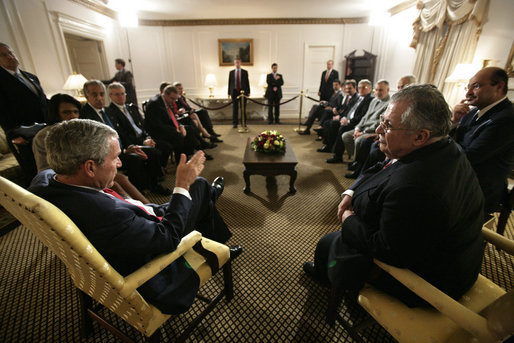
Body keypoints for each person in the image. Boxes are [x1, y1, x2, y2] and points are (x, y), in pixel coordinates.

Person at [28, 119, 242, 315]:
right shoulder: (109, 216)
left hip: (133, 225)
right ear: (90, 167)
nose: (120, 164)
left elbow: (121, 214)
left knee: (199, 191)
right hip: (152, 268)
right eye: (115, 158)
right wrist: (181, 185)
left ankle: (209, 202)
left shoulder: (44, 180)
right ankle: (217, 242)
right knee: (198, 186)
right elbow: (168, 238)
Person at [303, 84, 485, 307]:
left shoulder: (417, 188)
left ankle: (330, 279)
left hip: (428, 282)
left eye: (387, 125)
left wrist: (348, 218)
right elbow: (382, 166)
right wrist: (351, 190)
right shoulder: (441, 147)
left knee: (330, 242)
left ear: (420, 136)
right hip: (439, 249)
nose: (378, 130)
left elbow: (388, 250)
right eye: (382, 120)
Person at [32, 93, 149, 204]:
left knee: (121, 179)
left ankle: (147, 209)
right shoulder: (44, 136)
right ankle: (139, 210)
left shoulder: (80, 131)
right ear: (55, 114)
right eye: (66, 112)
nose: (72, 116)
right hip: (72, 178)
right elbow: (44, 171)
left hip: (91, 170)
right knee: (116, 183)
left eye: (75, 112)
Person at [80, 80, 169, 195]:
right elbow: (94, 142)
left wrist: (130, 146)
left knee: (152, 152)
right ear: (87, 96)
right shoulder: (85, 116)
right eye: (94, 95)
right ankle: (138, 191)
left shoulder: (108, 112)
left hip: (122, 148)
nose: (99, 98)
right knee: (135, 159)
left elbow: (120, 133)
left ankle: (154, 185)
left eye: (101, 94)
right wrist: (125, 150)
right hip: (105, 155)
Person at [451, 66, 514, 213]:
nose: (468, 93)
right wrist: (454, 121)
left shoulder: (508, 119)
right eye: (468, 87)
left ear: (499, 86)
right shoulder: (470, 112)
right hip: (459, 176)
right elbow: (453, 143)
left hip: (479, 190)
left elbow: (469, 157)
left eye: (476, 86)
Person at [0, 42, 48, 181]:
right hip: (23, 137)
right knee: (36, 172)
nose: (10, 57)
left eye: (11, 53)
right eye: (3, 55)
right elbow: (2, 112)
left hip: (43, 130)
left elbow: (43, 101)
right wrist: (13, 134)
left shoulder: (31, 76)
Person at [106, 82, 172, 168]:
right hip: (133, 143)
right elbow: (123, 134)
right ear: (111, 96)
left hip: (143, 138)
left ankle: (159, 169)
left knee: (166, 146)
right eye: (117, 94)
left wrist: (148, 138)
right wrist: (143, 142)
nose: (121, 96)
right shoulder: (110, 112)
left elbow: (143, 126)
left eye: (122, 94)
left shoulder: (131, 108)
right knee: (154, 153)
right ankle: (154, 175)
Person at [341, 80, 390, 168]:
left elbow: (379, 123)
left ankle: (357, 164)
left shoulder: (389, 104)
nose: (378, 92)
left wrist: (363, 132)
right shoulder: (374, 100)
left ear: (388, 90)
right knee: (346, 136)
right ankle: (356, 158)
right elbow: (365, 117)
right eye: (377, 90)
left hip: (373, 130)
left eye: (381, 90)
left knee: (358, 140)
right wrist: (357, 129)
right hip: (364, 128)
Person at [325, 79, 374, 163]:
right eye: (359, 87)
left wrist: (348, 121)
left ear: (370, 88)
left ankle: (338, 156)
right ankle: (329, 146)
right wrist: (343, 118)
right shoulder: (359, 97)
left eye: (364, 87)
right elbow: (348, 110)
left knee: (343, 128)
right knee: (330, 123)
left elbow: (362, 116)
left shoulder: (370, 99)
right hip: (348, 119)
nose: (361, 89)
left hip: (357, 123)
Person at [228, 57, 250, 128]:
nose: (237, 64)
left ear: (240, 63)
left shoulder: (245, 72)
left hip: (243, 92)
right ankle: (235, 123)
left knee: (243, 108)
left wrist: (248, 92)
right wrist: (229, 92)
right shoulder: (231, 72)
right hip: (234, 92)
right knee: (235, 108)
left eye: (238, 62)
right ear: (234, 63)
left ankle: (244, 123)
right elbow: (229, 83)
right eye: (236, 62)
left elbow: (247, 82)